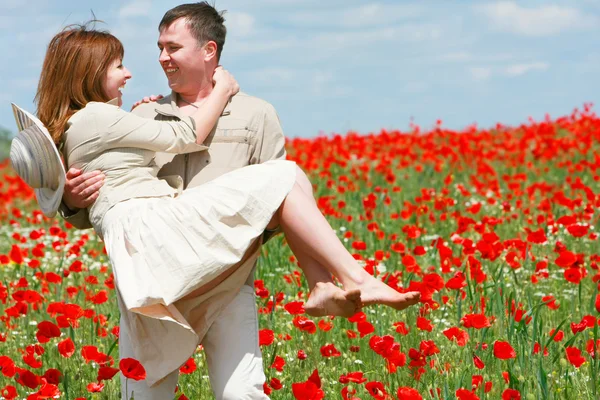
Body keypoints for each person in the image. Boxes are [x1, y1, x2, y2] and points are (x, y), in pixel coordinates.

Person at [49, 6, 420, 400]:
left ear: (209, 51)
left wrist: (231, 239)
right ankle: (334, 280)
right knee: (143, 394)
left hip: (227, 281)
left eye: (173, 47)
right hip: (161, 283)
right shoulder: (143, 112)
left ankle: (327, 283)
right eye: (159, 47)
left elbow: (282, 207)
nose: (161, 58)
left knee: (241, 394)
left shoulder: (256, 115)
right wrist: (71, 200)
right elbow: (111, 191)